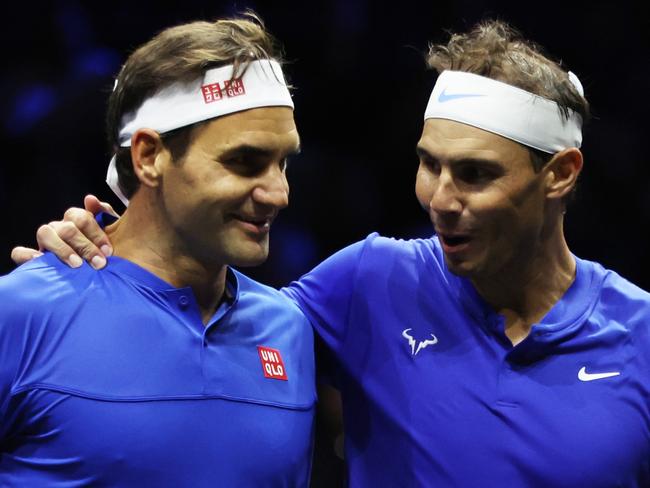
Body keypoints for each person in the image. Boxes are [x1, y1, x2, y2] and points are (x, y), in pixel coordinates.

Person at [13, 20, 650, 487]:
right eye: (428, 166)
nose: (440, 199)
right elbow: (156, 297)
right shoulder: (365, 283)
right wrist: (80, 259)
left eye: (476, 174)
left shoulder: (640, 334)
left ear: (561, 175)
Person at [0, 15, 317, 486]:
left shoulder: (289, 328)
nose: (278, 193)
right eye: (244, 162)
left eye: (282, 163)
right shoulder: (21, 311)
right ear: (149, 157)